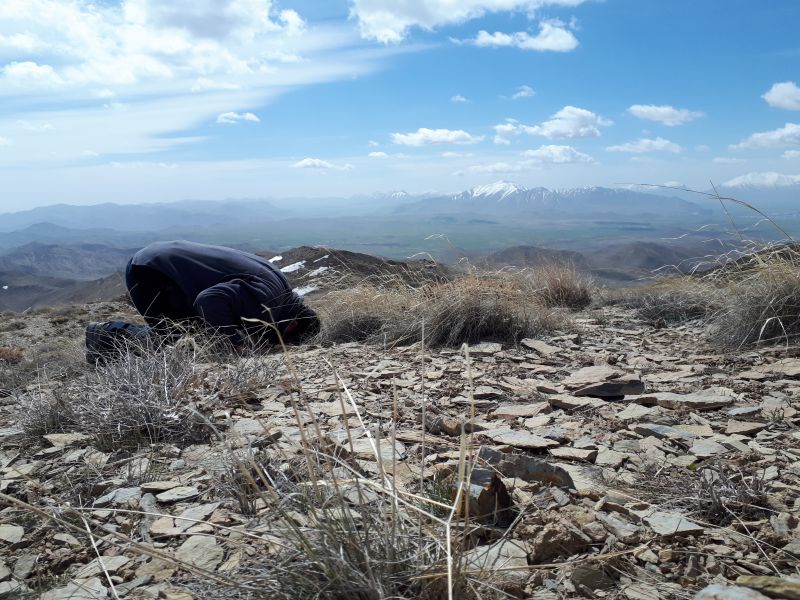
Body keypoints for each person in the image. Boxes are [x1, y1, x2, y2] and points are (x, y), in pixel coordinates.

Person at [86, 240, 319, 362]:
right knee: (176, 339)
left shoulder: (281, 291)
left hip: (163, 258)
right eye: (284, 344)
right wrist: (235, 344)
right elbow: (209, 300)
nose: (274, 346)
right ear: (291, 325)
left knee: (202, 334)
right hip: (151, 271)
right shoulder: (266, 303)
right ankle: (106, 335)